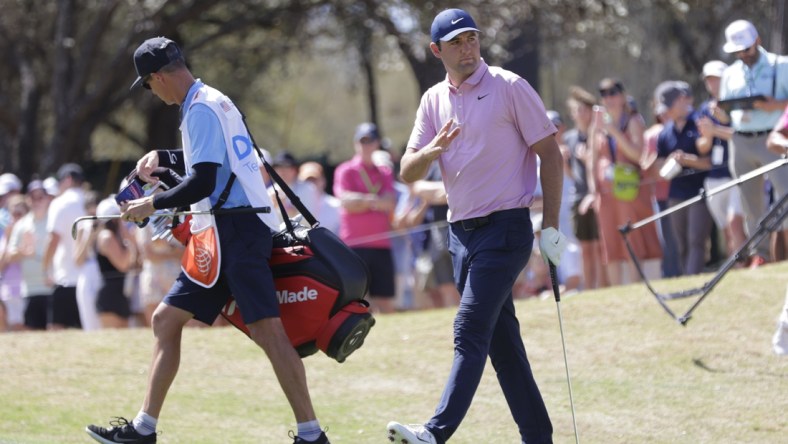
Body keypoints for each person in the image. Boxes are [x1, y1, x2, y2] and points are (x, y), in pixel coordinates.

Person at [86, 37, 330, 444]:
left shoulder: (197, 109)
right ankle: (143, 429)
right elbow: (216, 159)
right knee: (166, 320)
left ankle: (311, 434)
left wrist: (151, 203)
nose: (152, 92)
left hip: (234, 232)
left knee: (269, 332)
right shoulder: (215, 99)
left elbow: (205, 179)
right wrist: (164, 158)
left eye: (148, 84)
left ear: (159, 76)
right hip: (227, 232)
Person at [386, 9, 567, 443]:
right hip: (460, 236)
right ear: (437, 51)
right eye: (456, 42)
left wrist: (553, 228)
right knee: (503, 347)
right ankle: (538, 437)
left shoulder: (509, 87)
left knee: (468, 328)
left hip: (506, 230)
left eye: (471, 39)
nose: (467, 48)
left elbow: (552, 154)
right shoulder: (433, 100)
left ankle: (434, 433)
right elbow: (407, 172)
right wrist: (432, 150)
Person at [718, 19, 788, 267]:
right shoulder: (730, 73)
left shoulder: (781, 65)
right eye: (737, 51)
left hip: (774, 139)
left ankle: (784, 251)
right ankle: (762, 255)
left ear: (758, 41)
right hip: (741, 140)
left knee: (785, 194)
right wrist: (722, 113)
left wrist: (774, 105)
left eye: (746, 49)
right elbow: (727, 108)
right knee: (750, 203)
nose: (742, 54)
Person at [587, 78, 662, 285]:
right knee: (609, 241)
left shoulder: (633, 120)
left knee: (632, 237)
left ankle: (636, 284)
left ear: (622, 96)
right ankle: (615, 288)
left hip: (630, 191)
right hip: (606, 192)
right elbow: (592, 159)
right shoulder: (597, 124)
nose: (608, 98)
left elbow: (638, 155)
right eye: (604, 94)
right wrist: (593, 189)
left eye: (613, 93)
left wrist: (614, 132)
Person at [333, 122, 398, 314]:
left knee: (385, 299)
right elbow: (346, 201)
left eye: (370, 141)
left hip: (382, 244)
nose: (366, 145)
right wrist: (376, 201)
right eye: (362, 141)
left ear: (377, 143)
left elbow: (391, 202)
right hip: (355, 243)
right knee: (357, 299)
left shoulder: (384, 171)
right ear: (355, 143)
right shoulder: (346, 170)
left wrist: (362, 201)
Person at [655, 81, 713, 276]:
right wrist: (670, 163)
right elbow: (659, 166)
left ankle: (692, 278)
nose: (666, 113)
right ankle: (687, 279)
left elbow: (709, 161)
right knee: (682, 243)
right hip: (676, 193)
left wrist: (688, 160)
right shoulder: (665, 133)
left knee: (696, 240)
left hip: (700, 191)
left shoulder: (699, 122)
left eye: (668, 107)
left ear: (681, 101)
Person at [696, 60, 748, 261]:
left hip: (736, 173)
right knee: (726, 229)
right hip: (715, 176)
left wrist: (718, 127)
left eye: (716, 79)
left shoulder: (736, 103)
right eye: (709, 80)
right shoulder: (704, 108)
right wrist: (708, 134)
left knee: (735, 222)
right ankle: (735, 267)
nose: (712, 84)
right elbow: (703, 147)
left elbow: (742, 135)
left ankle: (746, 262)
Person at [564, 86, 609, 289]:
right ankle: (589, 288)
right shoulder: (570, 139)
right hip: (578, 197)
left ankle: (603, 286)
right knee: (585, 247)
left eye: (584, 109)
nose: (581, 114)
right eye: (577, 110)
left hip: (598, 196)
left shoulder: (599, 135)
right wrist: (565, 161)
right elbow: (573, 175)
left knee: (600, 246)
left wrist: (588, 158)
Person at [42, 163, 87, 330]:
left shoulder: (60, 203)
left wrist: (45, 269)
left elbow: (53, 239)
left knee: (57, 330)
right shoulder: (88, 200)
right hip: (89, 277)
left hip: (66, 278)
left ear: (68, 180)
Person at [6, 180, 54, 330]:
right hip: (30, 290)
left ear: (47, 198)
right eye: (33, 197)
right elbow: (10, 255)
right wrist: (23, 251)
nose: (37, 201)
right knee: (33, 335)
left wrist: (35, 253)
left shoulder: (54, 220)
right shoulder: (22, 225)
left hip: (53, 288)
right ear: (28, 199)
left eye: (40, 197)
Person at [93, 197, 137, 329]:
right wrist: (129, 241)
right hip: (110, 296)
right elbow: (123, 265)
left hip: (120, 293)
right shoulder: (107, 236)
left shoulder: (115, 237)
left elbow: (132, 263)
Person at [73, 190, 102, 331]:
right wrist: (89, 236)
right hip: (88, 270)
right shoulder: (82, 227)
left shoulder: (106, 224)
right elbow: (78, 260)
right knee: (89, 316)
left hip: (104, 272)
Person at [297, 161, 341, 234]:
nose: (311, 184)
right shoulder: (293, 207)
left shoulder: (336, 205)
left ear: (323, 181)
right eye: (307, 181)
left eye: (314, 180)